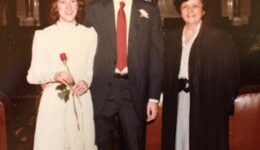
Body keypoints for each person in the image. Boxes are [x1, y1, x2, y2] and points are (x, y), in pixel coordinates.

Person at [84, 0, 163, 149]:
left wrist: (153, 97)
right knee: (100, 145)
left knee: (134, 145)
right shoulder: (94, 10)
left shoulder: (149, 10)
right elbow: (83, 49)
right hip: (101, 91)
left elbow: (156, 55)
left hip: (134, 92)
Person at [162, 0, 240, 150]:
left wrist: (221, 105)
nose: (189, 10)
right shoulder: (170, 38)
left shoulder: (220, 38)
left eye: (195, 6)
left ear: (203, 10)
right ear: (180, 11)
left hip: (208, 105)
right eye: (185, 6)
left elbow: (232, 75)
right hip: (177, 101)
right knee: (179, 140)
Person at [27, 0, 97, 149]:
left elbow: (89, 71)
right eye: (63, 2)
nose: (69, 7)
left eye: (73, 1)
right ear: (55, 7)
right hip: (53, 103)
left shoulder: (89, 34)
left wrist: (85, 82)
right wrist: (54, 75)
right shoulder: (43, 35)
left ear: (79, 5)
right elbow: (32, 75)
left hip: (81, 99)